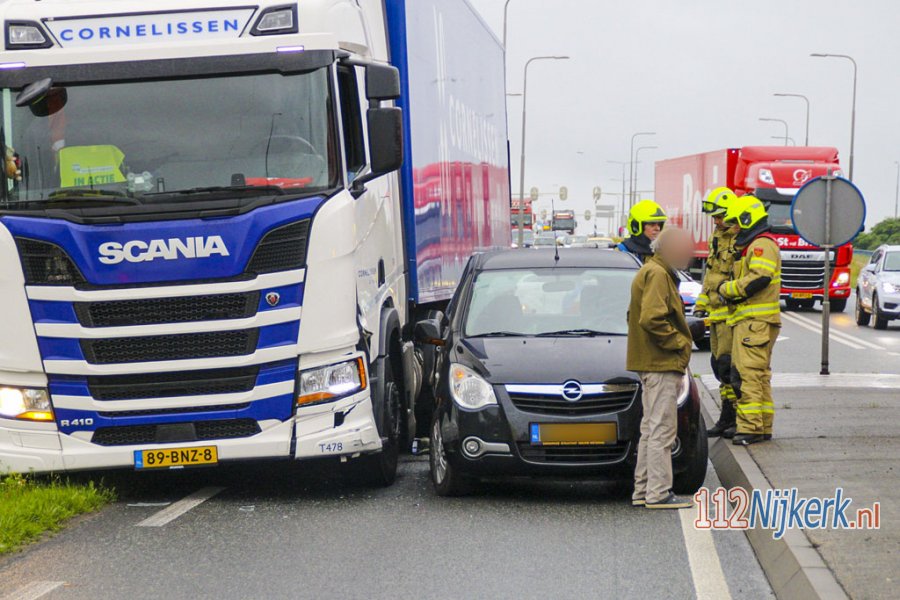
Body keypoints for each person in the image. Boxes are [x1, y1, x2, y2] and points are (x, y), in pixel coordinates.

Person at [626, 227, 695, 509]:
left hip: (654, 361)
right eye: (684, 249)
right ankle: (658, 493)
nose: (689, 254)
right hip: (660, 362)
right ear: (668, 249)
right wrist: (679, 343)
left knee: (651, 430)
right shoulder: (657, 274)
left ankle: (643, 491)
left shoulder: (653, 270)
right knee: (662, 430)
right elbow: (652, 318)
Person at [718, 196, 781, 446]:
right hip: (755, 322)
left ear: (747, 219)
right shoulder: (758, 245)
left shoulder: (761, 246)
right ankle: (761, 426)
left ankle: (750, 427)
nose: (733, 229)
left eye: (736, 223)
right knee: (758, 376)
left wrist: (727, 289)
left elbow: (759, 279)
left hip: (754, 322)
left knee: (747, 376)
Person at [694, 187, 740, 438]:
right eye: (714, 217)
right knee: (717, 365)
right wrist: (701, 305)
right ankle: (725, 418)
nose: (716, 221)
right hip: (716, 315)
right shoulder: (717, 237)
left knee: (728, 366)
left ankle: (733, 417)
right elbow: (711, 276)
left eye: (719, 216)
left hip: (730, 316)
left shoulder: (737, 240)